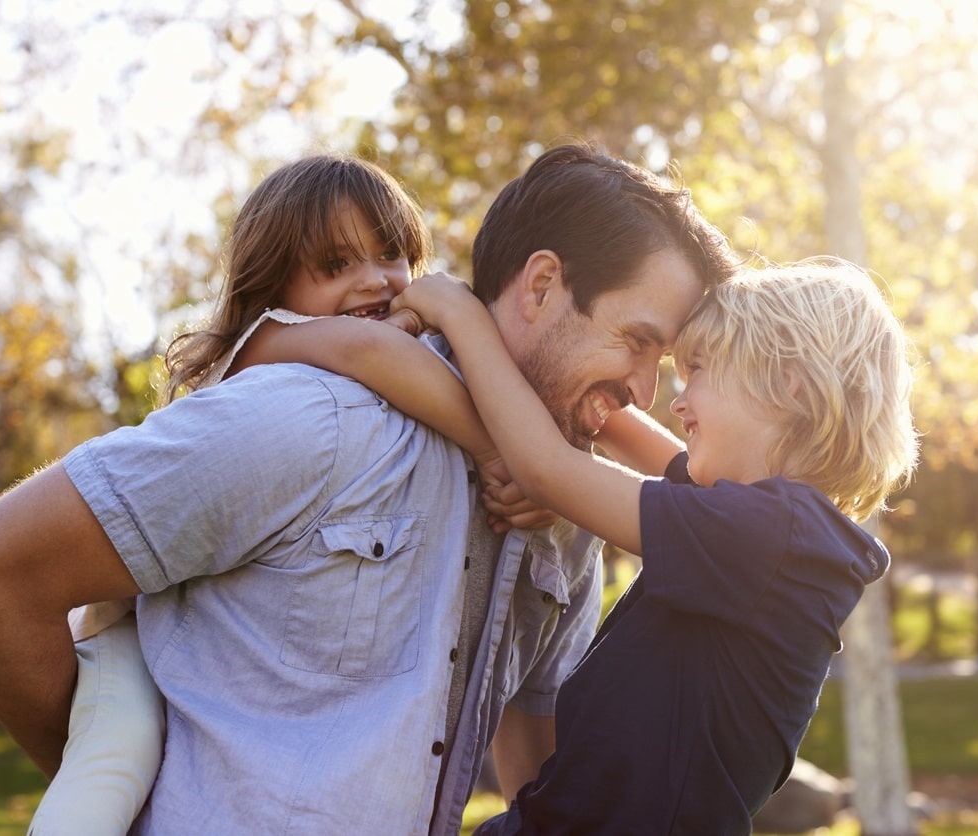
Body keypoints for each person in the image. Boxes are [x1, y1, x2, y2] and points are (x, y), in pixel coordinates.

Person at [0, 142, 735, 834]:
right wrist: (132, 797)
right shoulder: (310, 414)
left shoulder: (565, 511)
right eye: (637, 342)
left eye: (663, 362)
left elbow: (532, 756)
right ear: (541, 284)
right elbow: (8, 567)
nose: (644, 389)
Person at [381, 259, 920, 834]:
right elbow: (618, 426)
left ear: (790, 384)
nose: (678, 404)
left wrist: (462, 316)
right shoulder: (769, 530)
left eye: (702, 372)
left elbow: (544, 467)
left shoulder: (766, 536)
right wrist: (558, 360)